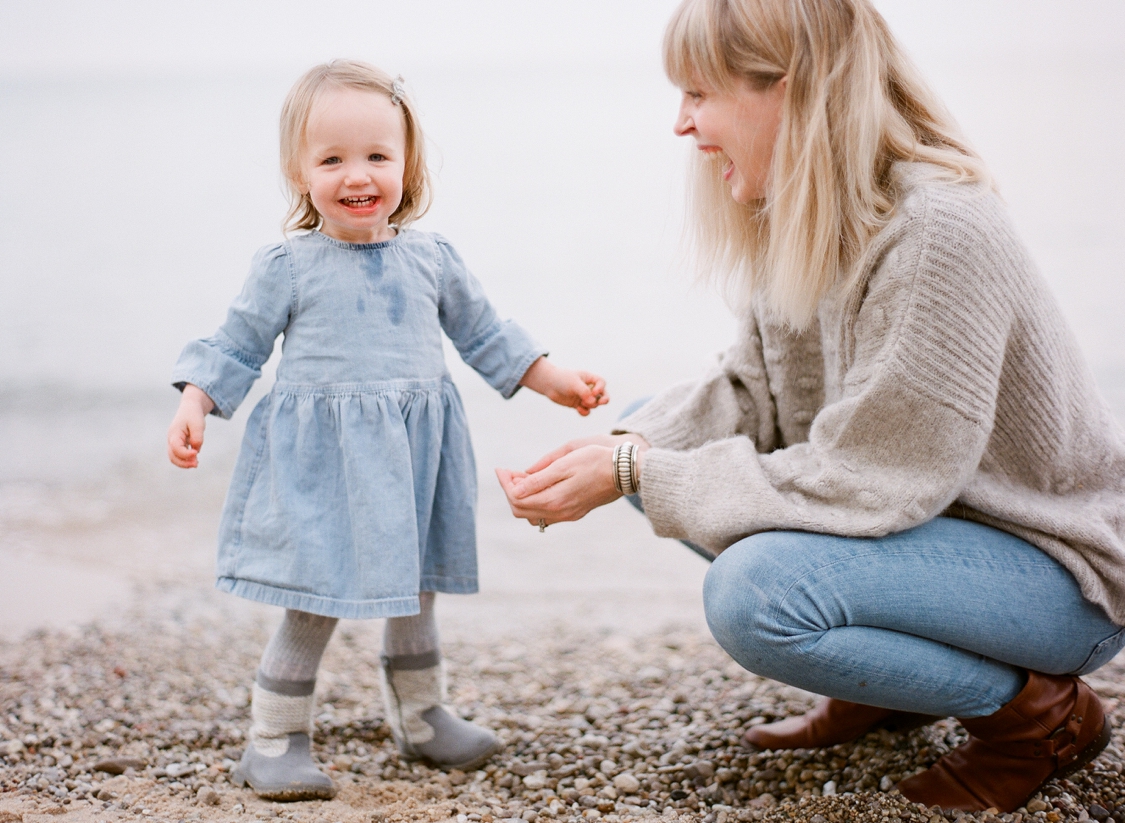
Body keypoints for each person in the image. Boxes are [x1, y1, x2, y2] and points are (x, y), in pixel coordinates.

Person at [497, 0, 1125, 813]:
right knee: (653, 427)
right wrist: (620, 451)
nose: (681, 125)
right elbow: (751, 394)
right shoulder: (805, 211)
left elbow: (875, 477)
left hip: (1054, 573)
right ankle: (888, 687)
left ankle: (1036, 717)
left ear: (788, 92)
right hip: (934, 534)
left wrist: (633, 468)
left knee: (753, 593)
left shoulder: (938, 226)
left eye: (698, 93)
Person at [167, 59, 608, 801]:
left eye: (376, 155)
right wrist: (194, 400)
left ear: (408, 163)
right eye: (331, 158)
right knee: (315, 595)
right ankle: (273, 737)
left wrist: (551, 377)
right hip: (326, 466)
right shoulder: (289, 265)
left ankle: (422, 714)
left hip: (413, 458)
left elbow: (487, 335)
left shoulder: (431, 258)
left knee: (416, 587)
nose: (357, 174)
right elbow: (236, 343)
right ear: (298, 170)